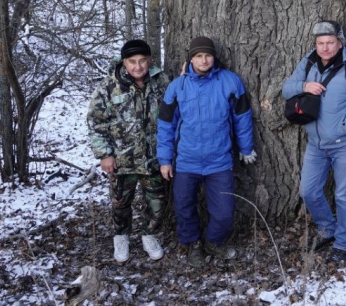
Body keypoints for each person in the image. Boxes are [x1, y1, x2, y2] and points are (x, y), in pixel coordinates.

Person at [282, 20, 346, 264]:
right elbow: (286, 89)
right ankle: (327, 229)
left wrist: (345, 127)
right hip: (316, 145)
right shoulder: (309, 63)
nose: (325, 48)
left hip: (345, 145)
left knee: (344, 196)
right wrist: (305, 85)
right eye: (320, 43)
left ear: (340, 43)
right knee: (308, 191)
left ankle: (344, 243)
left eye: (330, 42)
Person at [158, 36, 257, 267]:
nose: (204, 60)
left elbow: (242, 118)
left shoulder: (230, 81)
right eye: (198, 56)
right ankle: (193, 244)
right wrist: (165, 159)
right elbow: (165, 126)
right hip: (186, 161)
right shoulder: (178, 87)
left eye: (208, 56)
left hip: (219, 161)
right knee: (184, 208)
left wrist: (246, 147)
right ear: (190, 59)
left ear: (214, 57)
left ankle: (213, 241)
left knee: (224, 213)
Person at [88, 39, 169, 264]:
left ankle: (149, 235)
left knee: (157, 202)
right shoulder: (108, 86)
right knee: (120, 202)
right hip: (122, 158)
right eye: (132, 61)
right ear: (124, 62)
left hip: (154, 157)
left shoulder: (161, 81)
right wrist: (105, 154)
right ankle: (121, 236)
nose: (138, 66)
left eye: (142, 60)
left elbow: (175, 110)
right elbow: (96, 122)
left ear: (150, 60)